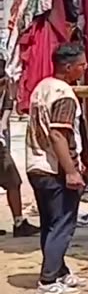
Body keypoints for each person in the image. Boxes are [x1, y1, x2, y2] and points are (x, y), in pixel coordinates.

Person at [28, 43, 88, 294]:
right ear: (68, 67)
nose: (85, 68)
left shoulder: (41, 88)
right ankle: (48, 280)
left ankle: (61, 271)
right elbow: (57, 134)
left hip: (36, 166)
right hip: (54, 169)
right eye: (81, 64)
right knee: (63, 224)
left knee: (50, 224)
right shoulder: (63, 94)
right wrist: (72, 171)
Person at [0, 56, 38, 237]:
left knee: (13, 181)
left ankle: (18, 222)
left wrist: (4, 121)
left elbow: (8, 102)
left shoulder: (5, 84)